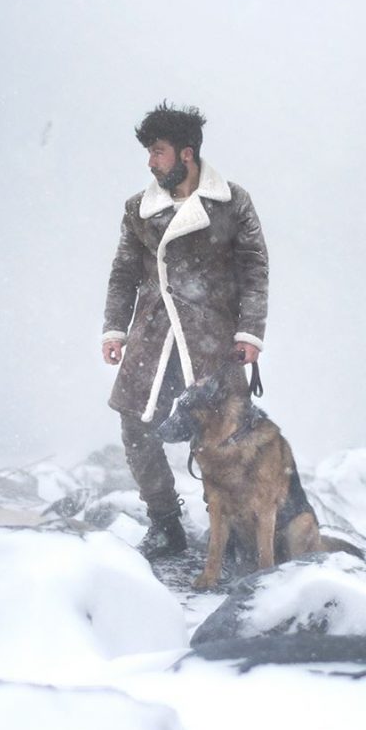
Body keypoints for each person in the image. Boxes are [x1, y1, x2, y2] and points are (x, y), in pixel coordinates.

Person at [101, 102, 269, 558]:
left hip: (212, 338)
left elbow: (254, 269)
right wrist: (114, 329)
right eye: (150, 153)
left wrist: (249, 333)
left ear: (187, 154)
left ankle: (230, 532)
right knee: (136, 426)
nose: (151, 162)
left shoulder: (232, 202)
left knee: (222, 436)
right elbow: (123, 273)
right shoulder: (138, 209)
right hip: (153, 336)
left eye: (158, 151)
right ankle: (165, 523)